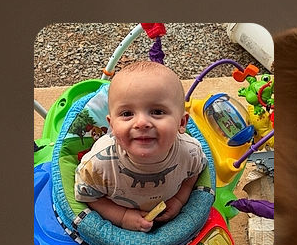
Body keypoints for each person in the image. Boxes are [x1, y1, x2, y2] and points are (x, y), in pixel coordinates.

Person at [74, 61, 206, 233]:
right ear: (112, 126)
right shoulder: (98, 164)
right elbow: (89, 196)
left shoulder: (190, 152)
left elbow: (194, 173)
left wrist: (180, 199)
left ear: (181, 123)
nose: (142, 123)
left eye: (157, 112)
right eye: (127, 114)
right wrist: (122, 216)